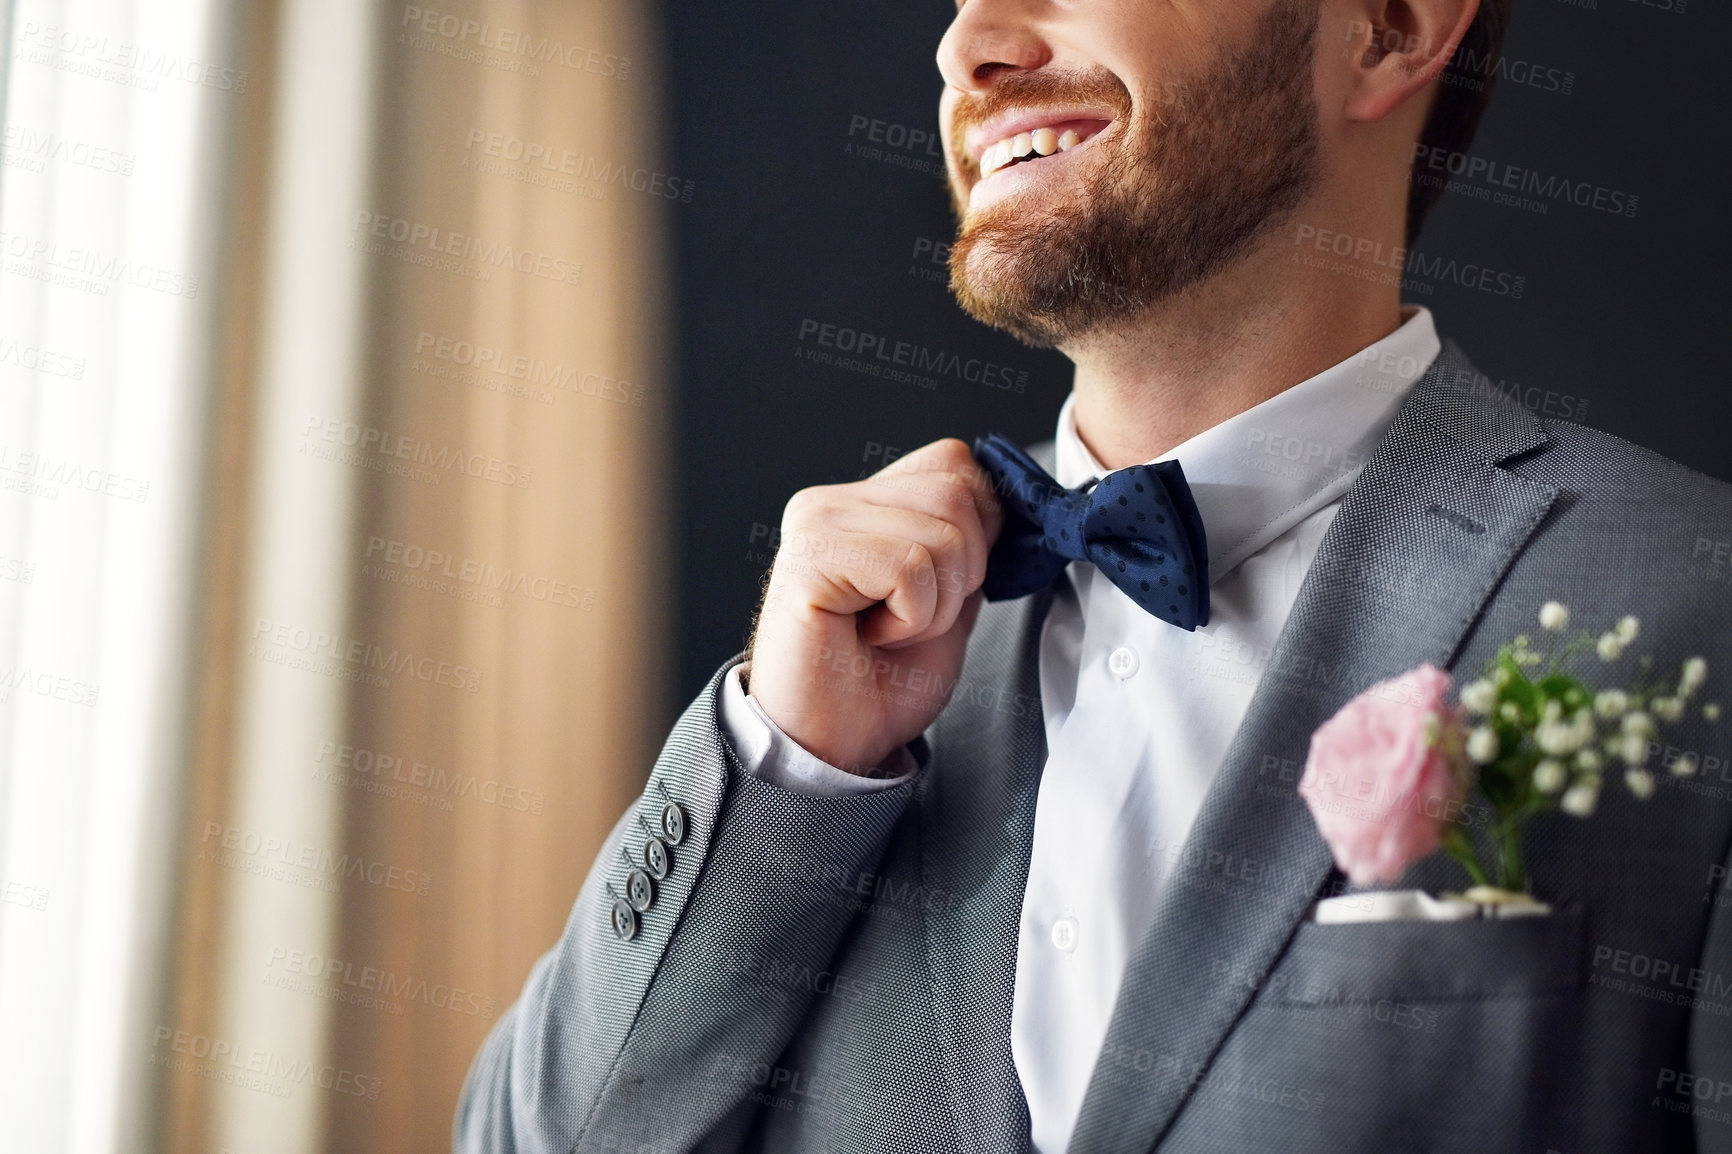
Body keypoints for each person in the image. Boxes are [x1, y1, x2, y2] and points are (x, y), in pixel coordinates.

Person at [456, 0, 1732, 1150]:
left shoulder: (1688, 596)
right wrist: (787, 762)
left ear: (1388, 30)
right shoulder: (839, 671)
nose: (969, 46)